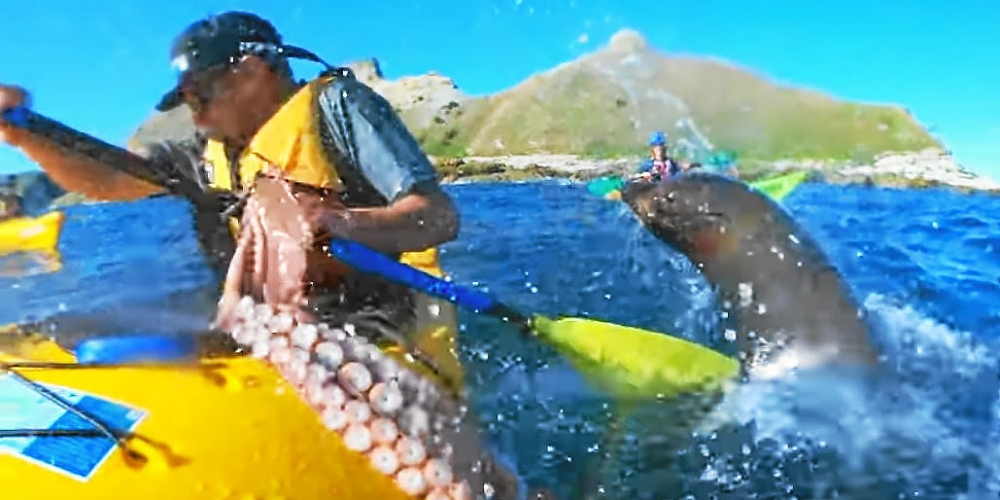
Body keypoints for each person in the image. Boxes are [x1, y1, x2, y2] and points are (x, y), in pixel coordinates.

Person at [0, 11, 470, 386]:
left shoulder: (338, 107)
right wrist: (26, 133)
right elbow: (111, 179)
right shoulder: (212, 156)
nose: (198, 118)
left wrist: (342, 223)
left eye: (202, 97)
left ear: (252, 71)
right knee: (66, 327)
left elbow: (437, 216)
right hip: (252, 316)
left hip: (362, 316)